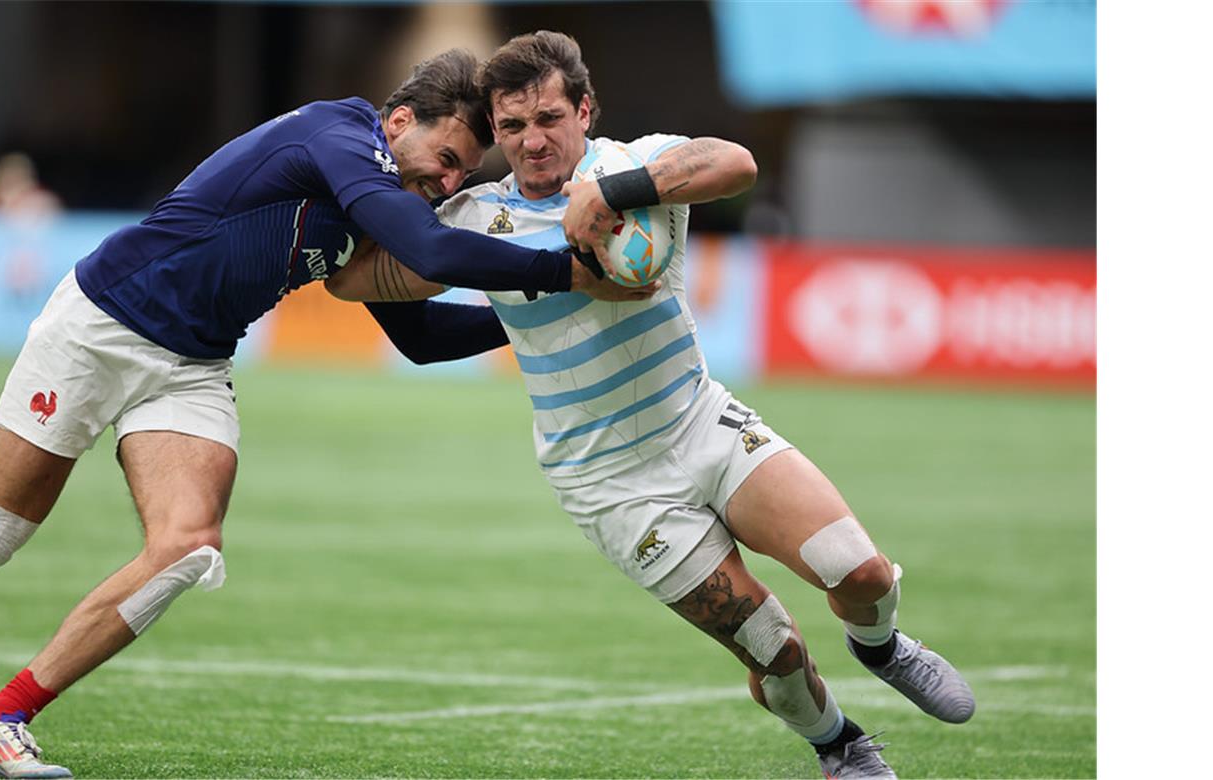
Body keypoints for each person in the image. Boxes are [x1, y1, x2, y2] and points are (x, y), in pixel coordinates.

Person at [0, 48, 644, 780]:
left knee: (188, 546)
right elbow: (431, 248)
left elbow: (421, 340)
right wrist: (570, 273)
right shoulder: (336, 140)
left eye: (464, 172)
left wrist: (541, 315)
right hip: (104, 326)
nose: (452, 181)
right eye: (449, 157)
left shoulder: (383, 200)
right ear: (400, 121)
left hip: (193, 364)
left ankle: (0, 721)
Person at [327, 31, 974, 780]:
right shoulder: (474, 218)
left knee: (858, 573)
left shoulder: (634, 161)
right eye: (511, 128)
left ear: (585, 110)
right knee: (777, 648)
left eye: (548, 118)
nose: (531, 141)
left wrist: (616, 194)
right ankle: (840, 746)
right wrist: (385, 199)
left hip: (702, 424)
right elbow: (353, 283)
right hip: (610, 484)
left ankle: (884, 645)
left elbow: (736, 164)